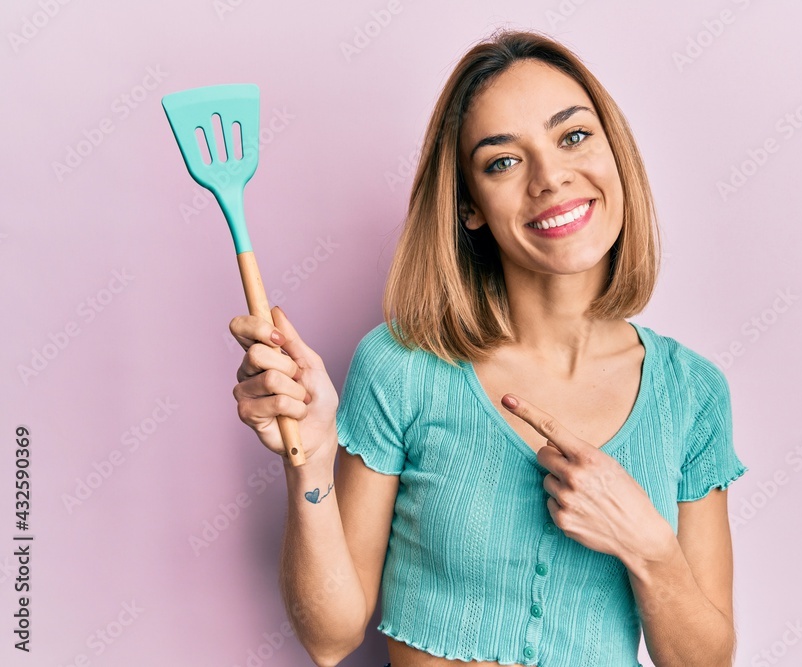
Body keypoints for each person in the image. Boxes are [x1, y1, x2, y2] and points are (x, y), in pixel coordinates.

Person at [229, 28, 748, 667]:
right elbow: (330, 638)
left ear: (616, 155)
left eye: (574, 136)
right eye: (503, 160)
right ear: (470, 207)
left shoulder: (692, 392)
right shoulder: (401, 367)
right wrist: (307, 462)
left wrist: (648, 546)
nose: (551, 177)